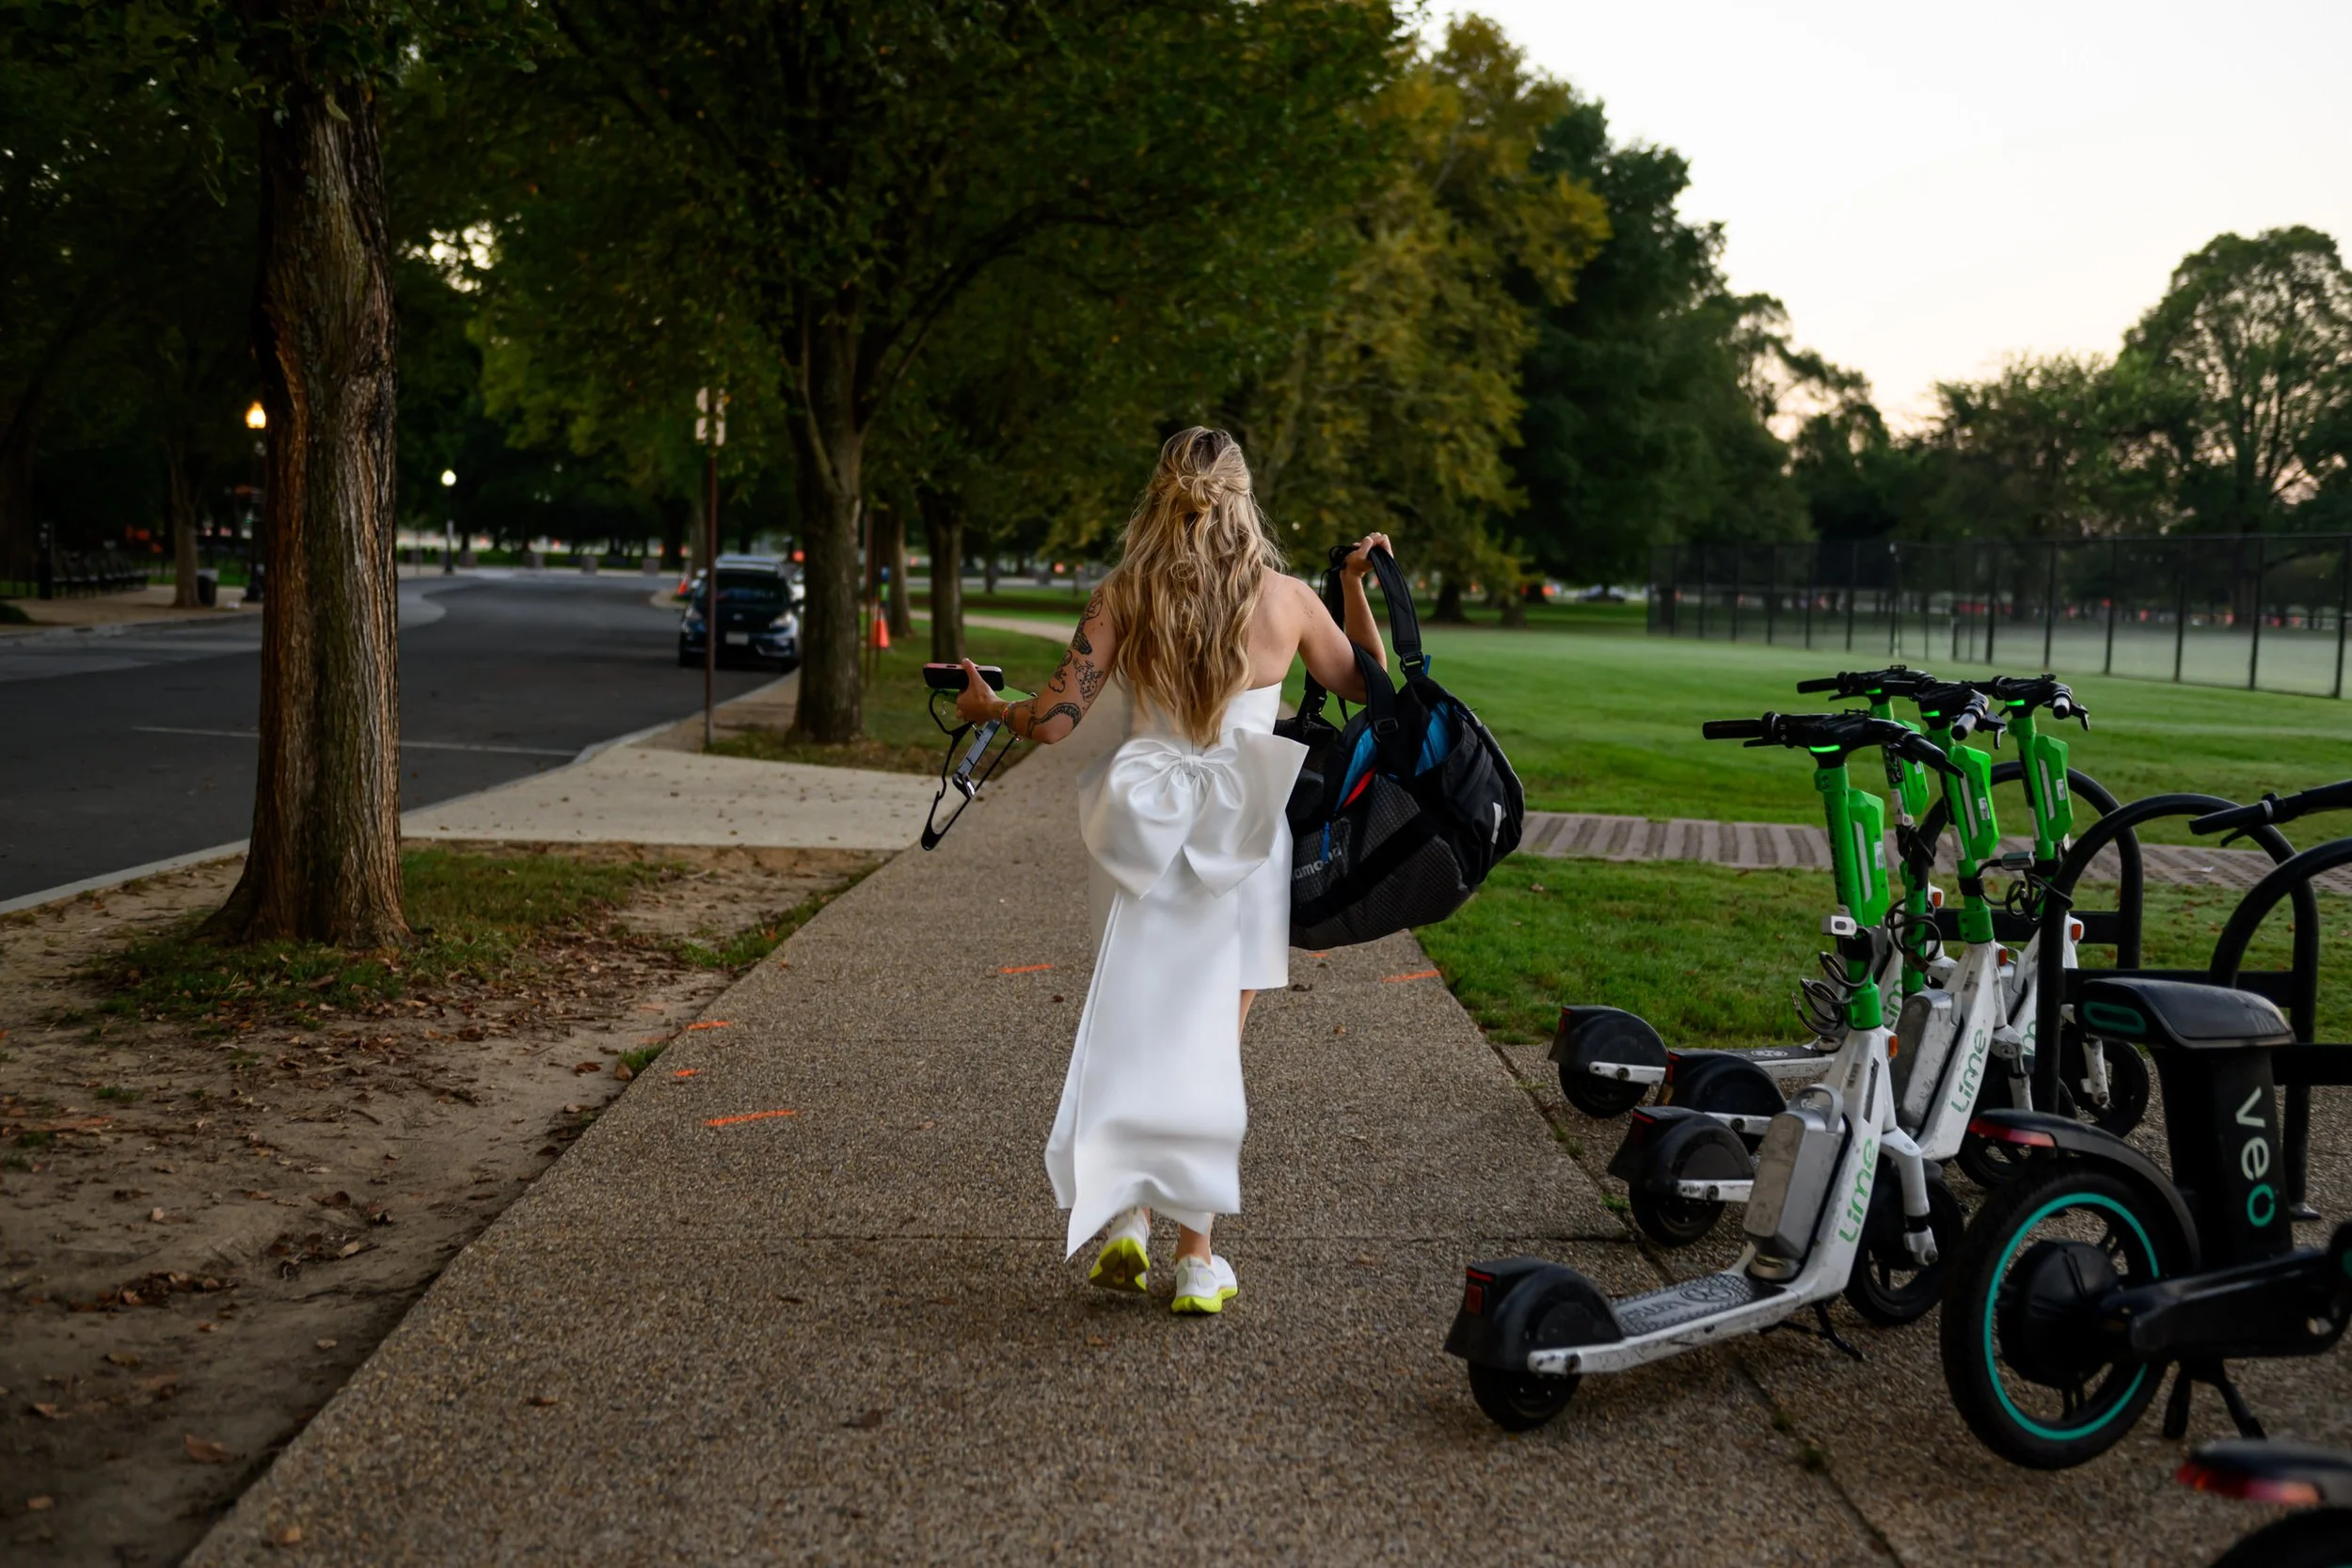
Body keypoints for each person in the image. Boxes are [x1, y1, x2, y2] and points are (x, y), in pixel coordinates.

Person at [956, 427, 1391, 1315]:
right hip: (1242, 842)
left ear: (1159, 497)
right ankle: (1197, 1261)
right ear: (1242, 496)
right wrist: (1350, 586)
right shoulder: (1288, 600)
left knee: (1137, 1024)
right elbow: (1370, 682)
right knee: (1211, 1049)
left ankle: (1126, 1218)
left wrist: (986, 705)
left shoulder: (1122, 595)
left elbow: (1052, 719)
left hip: (1142, 835)